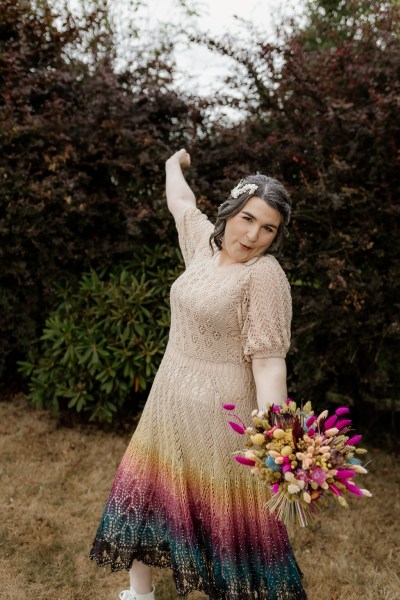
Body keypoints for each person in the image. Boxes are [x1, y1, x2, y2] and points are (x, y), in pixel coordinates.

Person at [89, 149, 308, 600]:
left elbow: (268, 362)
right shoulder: (204, 245)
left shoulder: (264, 277)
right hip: (168, 398)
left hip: (221, 416)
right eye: (248, 218)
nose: (253, 235)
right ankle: (139, 594)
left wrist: (278, 437)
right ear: (231, 211)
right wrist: (173, 165)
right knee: (148, 493)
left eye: (268, 228)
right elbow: (182, 205)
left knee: (225, 519)